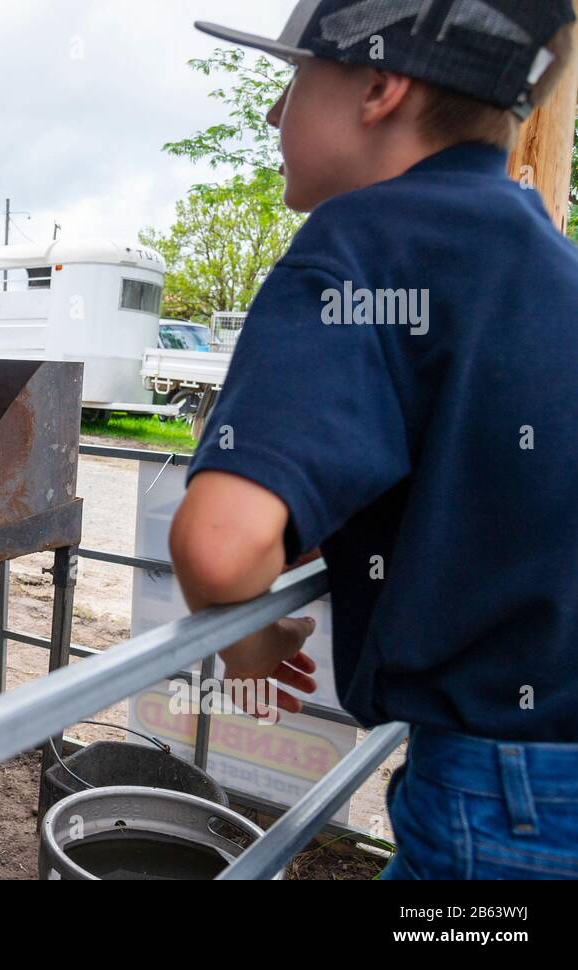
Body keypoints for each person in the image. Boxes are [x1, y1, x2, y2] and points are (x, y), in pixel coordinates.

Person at [170, 1, 578, 879]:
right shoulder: (549, 256)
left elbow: (219, 545)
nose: (275, 114)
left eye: (293, 79)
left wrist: (244, 642)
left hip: (505, 801)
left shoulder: (362, 245)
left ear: (380, 88)